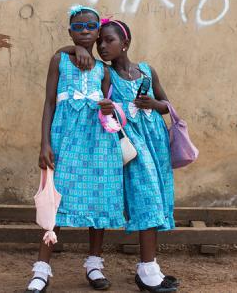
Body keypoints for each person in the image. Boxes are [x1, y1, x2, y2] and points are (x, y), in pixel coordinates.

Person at [62, 18, 179, 292]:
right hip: (126, 145)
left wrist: (154, 103)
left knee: (152, 199)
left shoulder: (147, 72)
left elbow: (167, 105)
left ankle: (149, 267)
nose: (102, 46)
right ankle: (147, 271)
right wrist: (75, 47)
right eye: (99, 41)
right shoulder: (104, 73)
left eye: (109, 41)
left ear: (125, 44)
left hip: (155, 144)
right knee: (145, 198)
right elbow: (64, 55)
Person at [25, 5, 125, 293]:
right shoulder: (60, 60)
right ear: (70, 31)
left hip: (98, 144)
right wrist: (44, 143)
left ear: (97, 32)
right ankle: (42, 270)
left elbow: (112, 113)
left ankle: (94, 265)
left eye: (90, 27)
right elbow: (49, 104)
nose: (84, 32)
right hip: (65, 140)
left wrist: (109, 108)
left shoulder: (104, 71)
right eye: (77, 28)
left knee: (99, 199)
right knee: (54, 201)